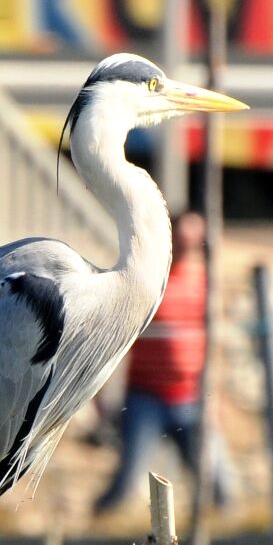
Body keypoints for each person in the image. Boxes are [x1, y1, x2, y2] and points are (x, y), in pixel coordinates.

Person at [94, 210, 229, 513]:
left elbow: (213, 349)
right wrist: (102, 399)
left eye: (194, 241)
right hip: (146, 399)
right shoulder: (148, 285)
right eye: (181, 240)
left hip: (192, 398)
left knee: (219, 485)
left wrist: (215, 400)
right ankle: (94, 529)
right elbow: (114, 346)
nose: (187, 247)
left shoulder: (206, 286)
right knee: (126, 483)